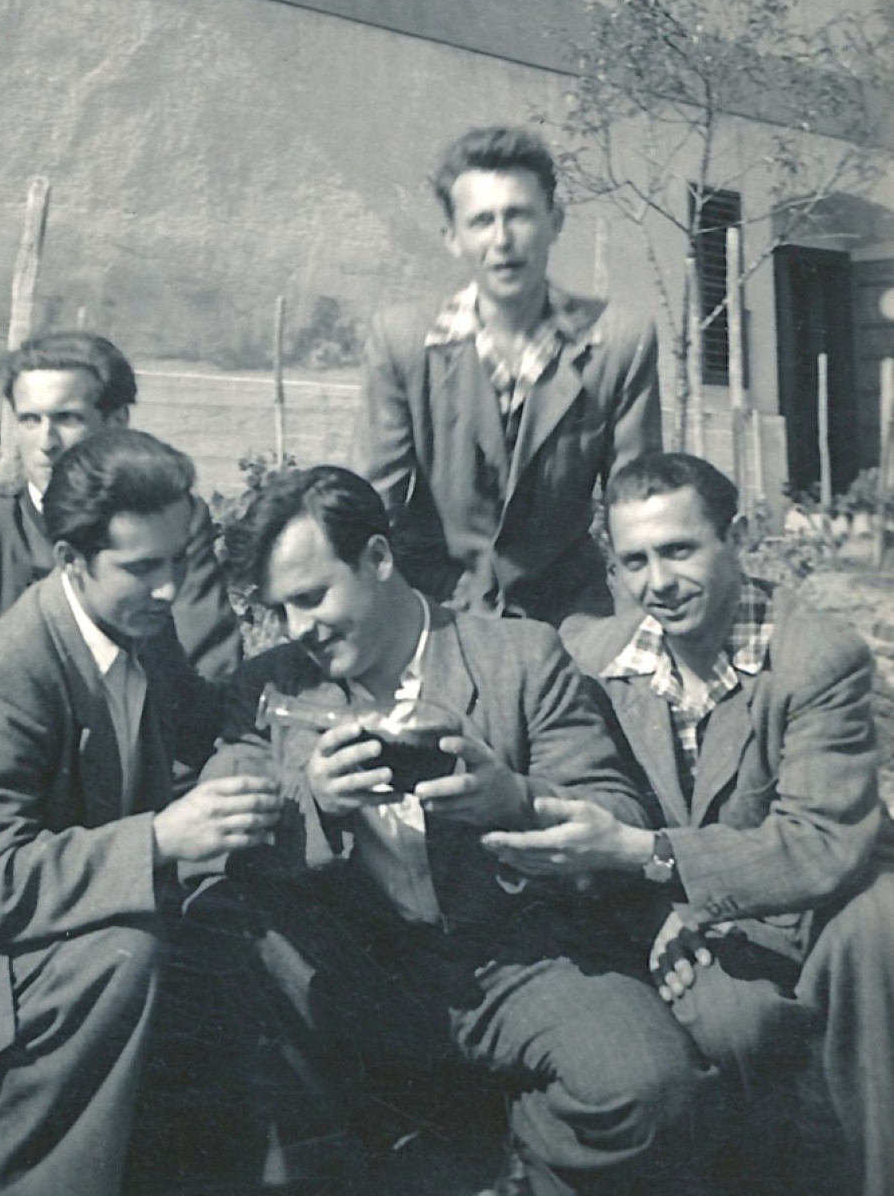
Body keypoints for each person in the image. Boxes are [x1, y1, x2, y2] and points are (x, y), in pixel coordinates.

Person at [183, 465, 718, 1196]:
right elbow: (218, 809)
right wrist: (312, 801)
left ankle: (510, 1160)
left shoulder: (519, 657)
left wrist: (513, 800)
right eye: (281, 610)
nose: (298, 628)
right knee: (227, 946)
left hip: (514, 960)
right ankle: (398, 1147)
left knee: (649, 1086)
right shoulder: (274, 686)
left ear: (377, 559)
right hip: (358, 976)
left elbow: (616, 812)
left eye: (312, 597)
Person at [0, 429, 282, 1196]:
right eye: (143, 568)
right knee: (119, 954)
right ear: (71, 560)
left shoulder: (138, 622)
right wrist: (161, 838)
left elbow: (204, 720)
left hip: (54, 916)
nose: (171, 588)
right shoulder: (4, 677)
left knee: (232, 922)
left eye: (178, 562)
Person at [483, 452, 894, 1196]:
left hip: (823, 901)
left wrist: (654, 859)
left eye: (679, 550)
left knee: (879, 933)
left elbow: (819, 846)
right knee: (730, 1019)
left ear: (734, 539)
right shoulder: (592, 655)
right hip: (682, 906)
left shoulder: (816, 659)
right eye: (634, 560)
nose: (658, 584)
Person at [0, 329, 239, 883]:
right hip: (2, 783)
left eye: (67, 418)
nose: (46, 442)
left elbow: (206, 678)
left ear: (116, 423)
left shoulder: (165, 527)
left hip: (138, 778)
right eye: (29, 419)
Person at [351, 126, 661, 628]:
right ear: (453, 238)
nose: (502, 240)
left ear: (554, 221)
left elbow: (641, 510)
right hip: (437, 614)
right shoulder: (404, 341)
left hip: (567, 618)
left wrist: (634, 642)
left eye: (518, 215)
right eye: (481, 221)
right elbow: (369, 507)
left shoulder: (619, 342)